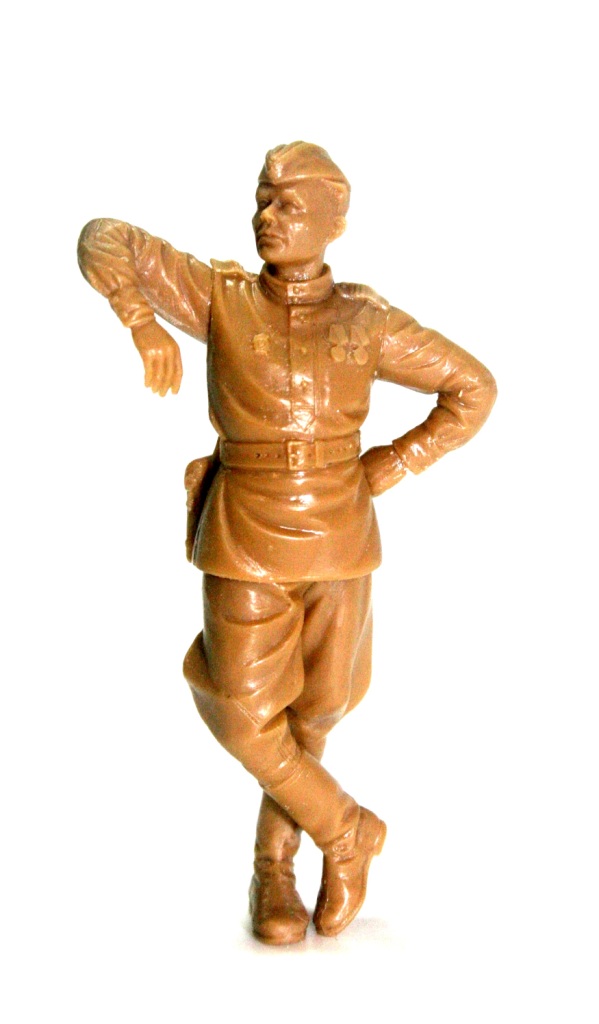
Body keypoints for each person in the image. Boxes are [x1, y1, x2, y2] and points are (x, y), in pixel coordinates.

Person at [78, 141, 497, 944]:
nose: (268, 217)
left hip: (340, 537)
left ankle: (273, 871)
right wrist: (141, 322)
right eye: (262, 199)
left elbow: (471, 387)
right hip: (244, 532)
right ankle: (346, 829)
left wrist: (391, 464)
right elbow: (104, 237)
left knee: (313, 715)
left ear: (336, 222)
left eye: (290, 205)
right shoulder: (221, 297)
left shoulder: (367, 320)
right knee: (242, 711)